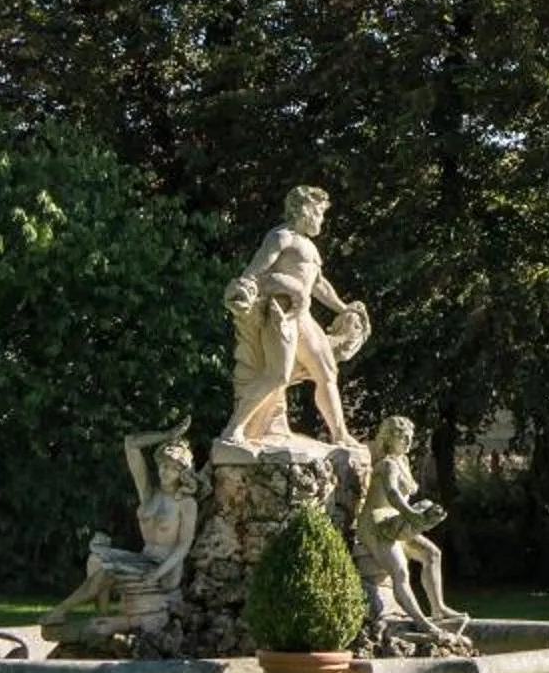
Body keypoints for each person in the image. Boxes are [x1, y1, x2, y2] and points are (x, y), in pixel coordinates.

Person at [213, 186, 371, 458]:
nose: (321, 219)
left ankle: (340, 434)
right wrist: (290, 287)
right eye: (319, 213)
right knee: (278, 375)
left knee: (327, 372)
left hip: (304, 317)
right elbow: (254, 276)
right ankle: (234, 430)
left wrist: (344, 309)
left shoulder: (309, 246)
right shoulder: (280, 238)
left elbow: (319, 285)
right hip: (281, 313)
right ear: (305, 210)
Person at [46, 430, 199, 625]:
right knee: (96, 559)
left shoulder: (186, 503)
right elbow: (131, 444)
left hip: (166, 570)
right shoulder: (149, 493)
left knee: (107, 571)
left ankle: (61, 610)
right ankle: (101, 614)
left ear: (182, 472)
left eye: (172, 468)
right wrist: (168, 435)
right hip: (145, 559)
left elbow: (184, 546)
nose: (164, 471)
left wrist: (158, 573)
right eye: (162, 465)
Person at [356, 415, 466, 632]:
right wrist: (413, 516)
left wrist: (421, 514)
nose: (407, 441)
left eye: (410, 436)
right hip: (378, 525)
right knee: (401, 573)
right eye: (402, 436)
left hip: (397, 521)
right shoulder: (387, 465)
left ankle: (438, 608)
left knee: (432, 554)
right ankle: (421, 622)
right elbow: (394, 494)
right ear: (389, 439)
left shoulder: (402, 462)